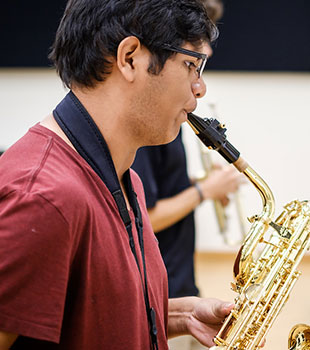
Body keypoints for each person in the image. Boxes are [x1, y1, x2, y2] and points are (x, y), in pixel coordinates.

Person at [0, 1, 234, 349]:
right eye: (190, 65)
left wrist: (182, 316)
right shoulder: (41, 199)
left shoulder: (123, 176)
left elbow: (87, 316)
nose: (200, 88)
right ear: (130, 58)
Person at [131, 0, 240, 299]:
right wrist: (204, 191)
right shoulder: (146, 124)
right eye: (199, 41)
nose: (209, 50)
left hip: (178, 281)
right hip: (160, 288)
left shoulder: (171, 117)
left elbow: (159, 187)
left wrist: (203, 186)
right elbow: (144, 218)